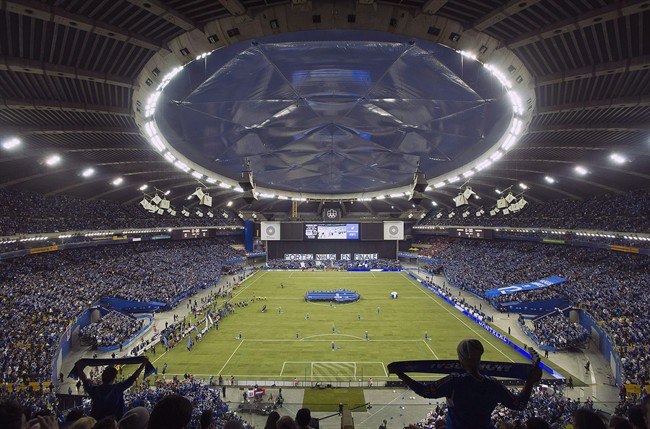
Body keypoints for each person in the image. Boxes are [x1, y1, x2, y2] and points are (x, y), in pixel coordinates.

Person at [389, 338, 542, 429]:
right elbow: (520, 405)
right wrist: (529, 381)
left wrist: (400, 373)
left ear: (461, 359)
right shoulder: (493, 385)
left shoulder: (455, 381)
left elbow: (425, 391)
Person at [75, 357, 149, 420]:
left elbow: (84, 380)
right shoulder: (117, 388)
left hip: (98, 422)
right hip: (115, 421)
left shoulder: (94, 390)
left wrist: (79, 368)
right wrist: (143, 364)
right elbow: (132, 378)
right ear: (113, 379)